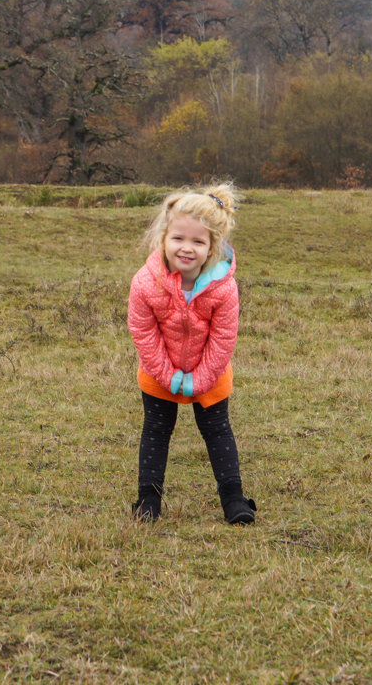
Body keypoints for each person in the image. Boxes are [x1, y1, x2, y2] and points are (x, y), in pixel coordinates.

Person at [127, 182, 256, 524]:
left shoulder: (223, 287)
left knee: (217, 431)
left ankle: (233, 498)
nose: (186, 248)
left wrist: (200, 379)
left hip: (210, 374)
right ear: (163, 238)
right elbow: (143, 331)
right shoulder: (145, 282)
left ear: (213, 246)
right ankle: (148, 500)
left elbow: (224, 338)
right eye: (178, 238)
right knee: (155, 429)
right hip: (158, 373)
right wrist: (166, 374)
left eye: (198, 241)